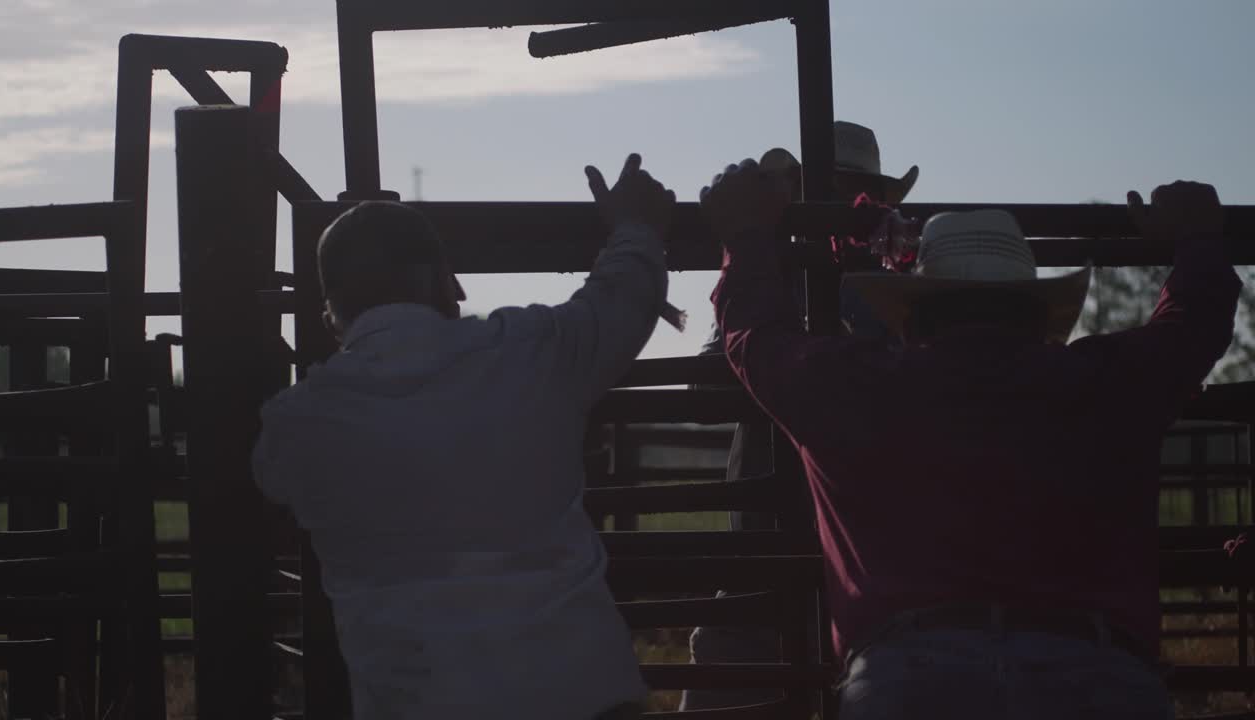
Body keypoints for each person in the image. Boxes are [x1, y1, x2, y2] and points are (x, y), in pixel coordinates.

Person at [704, 160, 1241, 719]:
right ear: (1040, 316)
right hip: (1096, 670)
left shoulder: (851, 384)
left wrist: (745, 235)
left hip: (907, 674)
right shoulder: (1110, 380)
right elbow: (1196, 319)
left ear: (910, 317)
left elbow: (756, 334)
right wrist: (1198, 236)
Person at [252, 154, 676, 720]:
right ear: (445, 282)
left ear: (331, 316)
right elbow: (623, 298)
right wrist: (635, 227)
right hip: (580, 695)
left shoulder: (297, 424)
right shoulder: (534, 352)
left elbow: (265, 488)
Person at [682, 121, 918, 712]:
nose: (833, 204)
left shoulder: (873, 281)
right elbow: (708, 387)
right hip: (824, 557)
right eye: (820, 188)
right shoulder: (875, 281)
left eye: (846, 191)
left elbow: (707, 386)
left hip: (836, 557)